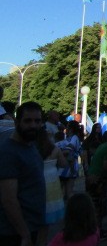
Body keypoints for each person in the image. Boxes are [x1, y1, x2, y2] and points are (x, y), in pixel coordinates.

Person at [0, 101, 46, 246]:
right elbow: (8, 199)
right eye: (28, 121)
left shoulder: (31, 146)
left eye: (37, 121)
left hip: (32, 227)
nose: (33, 125)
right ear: (17, 122)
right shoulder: (8, 152)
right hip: (14, 233)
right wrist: (24, 234)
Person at [35, 128, 67, 246]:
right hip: (51, 182)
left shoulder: (32, 148)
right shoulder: (54, 149)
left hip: (37, 181)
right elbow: (64, 164)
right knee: (46, 223)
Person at [57, 121, 82, 200]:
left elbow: (68, 150)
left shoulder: (74, 138)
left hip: (70, 168)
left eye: (67, 127)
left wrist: (57, 153)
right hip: (63, 168)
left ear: (70, 129)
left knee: (68, 192)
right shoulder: (68, 138)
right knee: (61, 192)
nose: (65, 129)